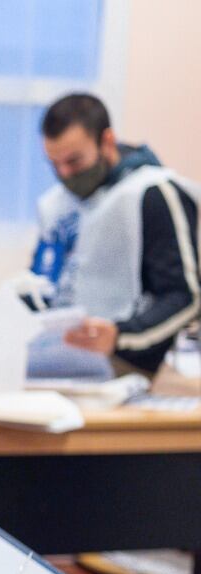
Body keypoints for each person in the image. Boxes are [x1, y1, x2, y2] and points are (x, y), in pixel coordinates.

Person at [29, 92, 199, 373]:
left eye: (74, 162)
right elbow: (42, 285)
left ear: (106, 141)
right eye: (55, 165)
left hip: (130, 365)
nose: (65, 173)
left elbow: (184, 296)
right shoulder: (57, 205)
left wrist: (121, 337)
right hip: (54, 362)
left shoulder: (152, 192)